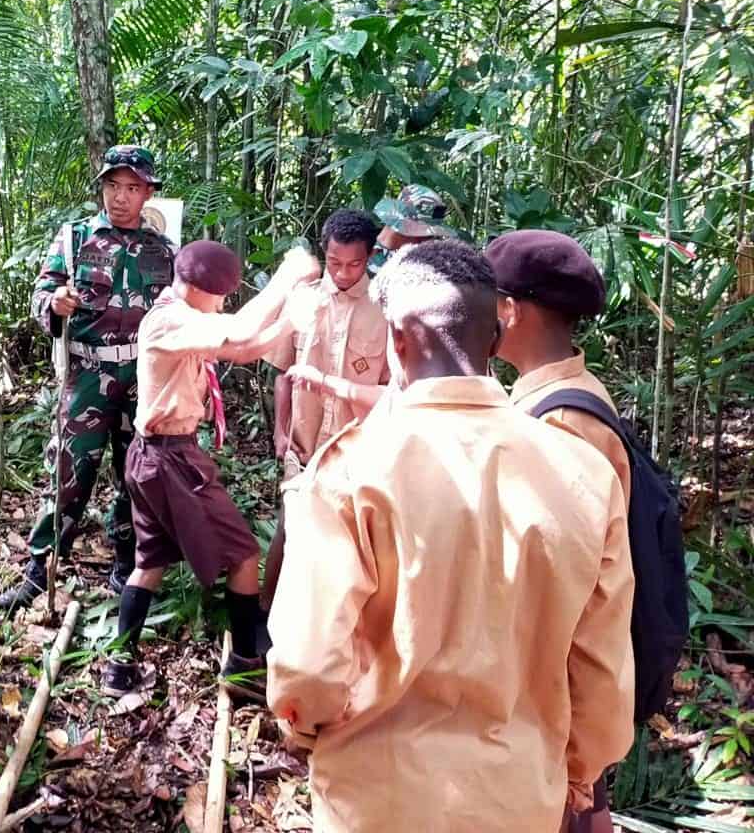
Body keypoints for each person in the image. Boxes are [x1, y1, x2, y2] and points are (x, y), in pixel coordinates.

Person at [267, 239, 635, 832]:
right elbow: (600, 664)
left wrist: (302, 725)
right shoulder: (582, 473)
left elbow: (307, 669)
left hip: (376, 798)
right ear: (494, 339)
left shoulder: (349, 472)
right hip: (518, 797)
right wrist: (577, 770)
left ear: (398, 341)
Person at [102, 241, 320, 699]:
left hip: (155, 455)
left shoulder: (180, 318)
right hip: (169, 460)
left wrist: (287, 321)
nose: (222, 306)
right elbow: (240, 329)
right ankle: (243, 666)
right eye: (219, 297)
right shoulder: (170, 320)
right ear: (198, 290)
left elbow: (243, 350)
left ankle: (119, 663)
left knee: (150, 562)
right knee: (244, 556)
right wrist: (288, 274)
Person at [485, 228, 630, 833]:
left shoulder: (563, 422)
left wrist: (580, 763)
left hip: (555, 718)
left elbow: (567, 600)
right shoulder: (547, 401)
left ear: (510, 309)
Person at [0, 145, 175, 613]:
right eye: (113, 186)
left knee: (136, 473)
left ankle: (126, 564)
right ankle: (41, 568)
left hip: (143, 375)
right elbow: (42, 292)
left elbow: (180, 315)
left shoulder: (164, 251)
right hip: (88, 372)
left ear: (148, 193)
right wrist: (52, 303)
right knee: (68, 469)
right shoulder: (76, 239)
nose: (120, 197)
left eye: (132, 188)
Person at [262, 209, 388, 607]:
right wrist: (282, 433)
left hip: (358, 450)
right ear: (325, 253)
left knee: (346, 544)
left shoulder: (385, 308)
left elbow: (389, 389)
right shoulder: (305, 300)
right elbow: (282, 372)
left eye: (354, 264)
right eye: (334, 262)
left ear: (368, 257)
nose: (344, 272)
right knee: (289, 530)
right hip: (303, 446)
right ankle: (267, 615)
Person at [368, 183, 459, 276]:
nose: (426, 241)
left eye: (430, 236)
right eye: (422, 234)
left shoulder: (434, 257)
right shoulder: (364, 251)